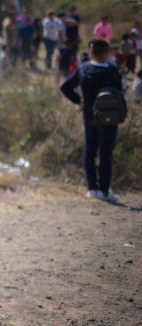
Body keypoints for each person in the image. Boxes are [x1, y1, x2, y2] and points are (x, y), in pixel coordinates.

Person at [61, 39, 124, 203]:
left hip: (89, 115)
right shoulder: (112, 69)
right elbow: (120, 91)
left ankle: (92, 189)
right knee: (106, 153)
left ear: (91, 52)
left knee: (90, 152)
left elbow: (65, 87)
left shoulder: (83, 69)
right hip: (109, 117)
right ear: (106, 52)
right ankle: (105, 190)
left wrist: (79, 101)